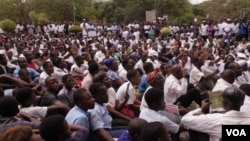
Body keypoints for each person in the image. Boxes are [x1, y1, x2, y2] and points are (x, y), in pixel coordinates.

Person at [181, 87, 250, 141]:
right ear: (242, 103)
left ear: (223, 103)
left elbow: (185, 120)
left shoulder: (216, 119)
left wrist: (201, 109)